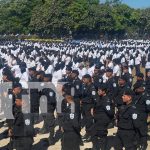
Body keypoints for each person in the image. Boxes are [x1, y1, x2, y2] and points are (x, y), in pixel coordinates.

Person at [91, 84, 114, 150]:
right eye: (97, 90)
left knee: (102, 136)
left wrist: (106, 120)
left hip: (102, 121)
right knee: (93, 133)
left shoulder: (106, 100)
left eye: (99, 90)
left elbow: (110, 112)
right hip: (98, 120)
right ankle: (95, 148)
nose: (98, 91)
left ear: (104, 91)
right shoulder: (100, 98)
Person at [133, 82, 150, 150]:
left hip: (142, 116)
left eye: (136, 89)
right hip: (136, 115)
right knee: (136, 130)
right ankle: (137, 143)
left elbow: (148, 107)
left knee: (142, 131)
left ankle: (144, 144)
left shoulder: (146, 96)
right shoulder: (137, 95)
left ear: (141, 88)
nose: (135, 90)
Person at [81, 74, 97, 142]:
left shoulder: (92, 87)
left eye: (84, 79)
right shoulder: (85, 86)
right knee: (86, 121)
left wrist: (93, 108)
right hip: (84, 106)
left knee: (89, 121)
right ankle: (87, 133)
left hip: (89, 106)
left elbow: (94, 99)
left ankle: (90, 135)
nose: (83, 80)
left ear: (88, 79)